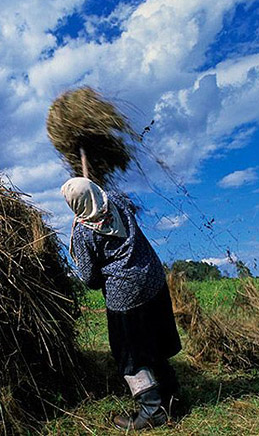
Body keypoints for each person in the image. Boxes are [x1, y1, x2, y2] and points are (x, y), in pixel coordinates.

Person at [61, 177, 182, 431]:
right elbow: (112, 195)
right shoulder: (118, 201)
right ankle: (173, 397)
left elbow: (90, 279)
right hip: (154, 280)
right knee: (153, 341)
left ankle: (152, 411)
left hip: (125, 298)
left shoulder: (83, 232)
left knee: (129, 354)